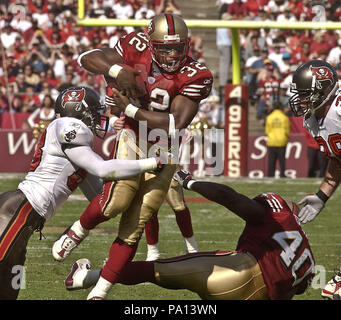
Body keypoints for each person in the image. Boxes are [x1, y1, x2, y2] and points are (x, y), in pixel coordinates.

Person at [51, 13, 213, 300]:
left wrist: (129, 110)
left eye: (178, 47)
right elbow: (87, 57)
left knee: (136, 224)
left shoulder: (196, 74)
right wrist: (117, 71)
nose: (173, 54)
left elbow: (176, 122)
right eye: (165, 47)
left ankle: (99, 292)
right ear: (151, 44)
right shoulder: (134, 46)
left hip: (165, 147)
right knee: (117, 201)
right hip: (131, 137)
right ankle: (76, 232)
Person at [0, 86, 162, 300]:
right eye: (94, 111)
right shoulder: (68, 125)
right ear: (80, 111)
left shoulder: (78, 152)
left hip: (27, 217)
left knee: (9, 290)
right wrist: (151, 163)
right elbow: (102, 168)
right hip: (19, 210)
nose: (98, 117)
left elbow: (102, 200)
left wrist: (139, 199)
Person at [64, 169, 315, 300]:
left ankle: (85, 277)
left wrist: (189, 182)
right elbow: (298, 289)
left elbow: (230, 198)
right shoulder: (306, 253)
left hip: (238, 274)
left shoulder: (276, 211)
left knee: (157, 270)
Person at [289, 59, 341, 300]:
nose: (300, 100)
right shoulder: (313, 120)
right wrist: (323, 193)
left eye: (305, 94)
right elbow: (338, 159)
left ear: (323, 90)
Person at [265, 101, 290, 178]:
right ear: (280, 107)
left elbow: (267, 131)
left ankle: (270, 175)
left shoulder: (269, 117)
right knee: (282, 160)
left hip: (272, 141)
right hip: (281, 141)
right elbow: (287, 131)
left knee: (271, 161)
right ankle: (282, 174)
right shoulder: (285, 117)